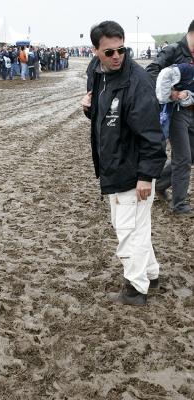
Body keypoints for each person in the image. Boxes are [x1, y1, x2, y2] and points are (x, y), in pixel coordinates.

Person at [82, 20, 166, 306]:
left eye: (121, 50)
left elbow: (153, 136)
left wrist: (146, 176)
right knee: (137, 226)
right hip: (113, 165)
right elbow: (104, 116)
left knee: (128, 231)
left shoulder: (137, 83)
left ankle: (135, 289)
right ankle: (151, 275)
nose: (116, 56)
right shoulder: (96, 73)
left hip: (133, 171)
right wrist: (88, 109)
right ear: (95, 51)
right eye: (109, 52)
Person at [146, 20, 194, 215]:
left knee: (190, 156)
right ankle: (179, 204)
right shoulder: (174, 50)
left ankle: (159, 184)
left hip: (192, 110)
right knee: (182, 158)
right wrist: (171, 93)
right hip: (175, 113)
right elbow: (151, 71)